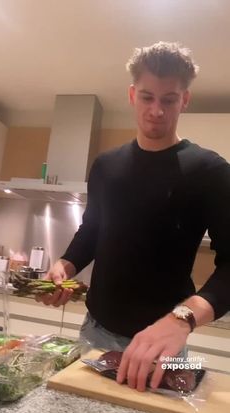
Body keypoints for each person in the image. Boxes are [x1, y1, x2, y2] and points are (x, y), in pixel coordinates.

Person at [37, 41, 230, 392]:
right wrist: (65, 264)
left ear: (184, 100)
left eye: (169, 99)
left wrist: (183, 319)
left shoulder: (210, 171)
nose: (156, 110)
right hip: (94, 331)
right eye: (147, 97)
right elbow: (92, 230)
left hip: (164, 343)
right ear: (131, 94)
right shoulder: (106, 166)